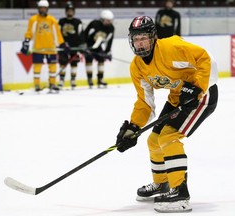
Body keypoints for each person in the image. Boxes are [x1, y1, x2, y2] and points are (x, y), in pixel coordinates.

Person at [115, 16, 218, 213]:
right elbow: (145, 101)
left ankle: (180, 193)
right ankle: (162, 183)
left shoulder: (171, 47)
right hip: (178, 97)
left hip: (203, 95)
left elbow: (204, 58)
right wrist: (133, 128)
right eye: (135, 39)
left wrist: (198, 88)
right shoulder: (136, 67)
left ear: (153, 37)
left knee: (168, 136)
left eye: (143, 38)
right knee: (154, 140)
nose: (139, 43)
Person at [20, 0, 69, 93]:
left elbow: (57, 33)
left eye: (44, 8)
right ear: (38, 8)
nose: (43, 9)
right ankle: (37, 85)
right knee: (37, 67)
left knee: (53, 67)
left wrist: (62, 44)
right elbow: (29, 32)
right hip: (38, 48)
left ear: (47, 9)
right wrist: (26, 42)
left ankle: (52, 84)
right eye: (41, 8)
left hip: (51, 48)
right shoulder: (33, 19)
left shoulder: (52, 20)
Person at [83, 9, 115, 88]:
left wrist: (107, 52)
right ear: (102, 19)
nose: (109, 22)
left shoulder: (111, 28)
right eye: (108, 20)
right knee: (89, 59)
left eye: (110, 20)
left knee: (102, 58)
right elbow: (85, 34)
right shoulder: (94, 24)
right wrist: (85, 46)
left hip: (98, 47)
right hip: (89, 45)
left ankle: (100, 79)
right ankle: (90, 79)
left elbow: (109, 40)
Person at [58, 2, 85, 90]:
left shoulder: (78, 22)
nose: (70, 12)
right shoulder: (61, 21)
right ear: (66, 11)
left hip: (74, 47)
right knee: (63, 63)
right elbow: (58, 34)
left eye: (71, 10)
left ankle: (73, 80)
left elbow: (81, 34)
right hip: (64, 47)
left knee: (74, 64)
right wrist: (61, 44)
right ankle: (61, 81)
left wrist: (80, 46)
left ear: (74, 11)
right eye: (68, 10)